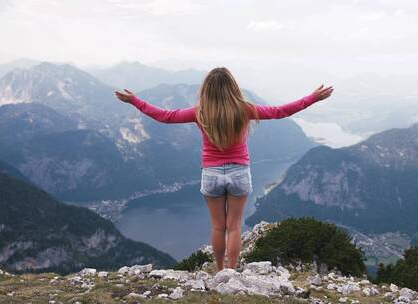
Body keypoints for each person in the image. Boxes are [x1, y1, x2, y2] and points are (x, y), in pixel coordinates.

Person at [115, 67, 333, 271]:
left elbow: (165, 116)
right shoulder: (244, 109)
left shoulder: (200, 112)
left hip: (211, 174)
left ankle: (219, 270)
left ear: (206, 90)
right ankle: (231, 271)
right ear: (233, 88)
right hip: (239, 173)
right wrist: (312, 98)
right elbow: (280, 111)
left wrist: (135, 101)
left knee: (218, 227)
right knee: (234, 227)